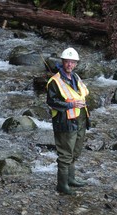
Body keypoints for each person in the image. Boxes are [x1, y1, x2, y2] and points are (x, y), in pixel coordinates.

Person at [46, 47, 90, 195]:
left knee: (75, 152)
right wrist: (70, 104)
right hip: (64, 122)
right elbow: (51, 102)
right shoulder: (55, 81)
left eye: (72, 62)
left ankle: (71, 179)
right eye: (67, 62)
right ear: (62, 62)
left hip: (80, 119)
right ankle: (62, 185)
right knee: (65, 154)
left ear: (76, 64)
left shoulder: (76, 77)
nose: (69, 64)